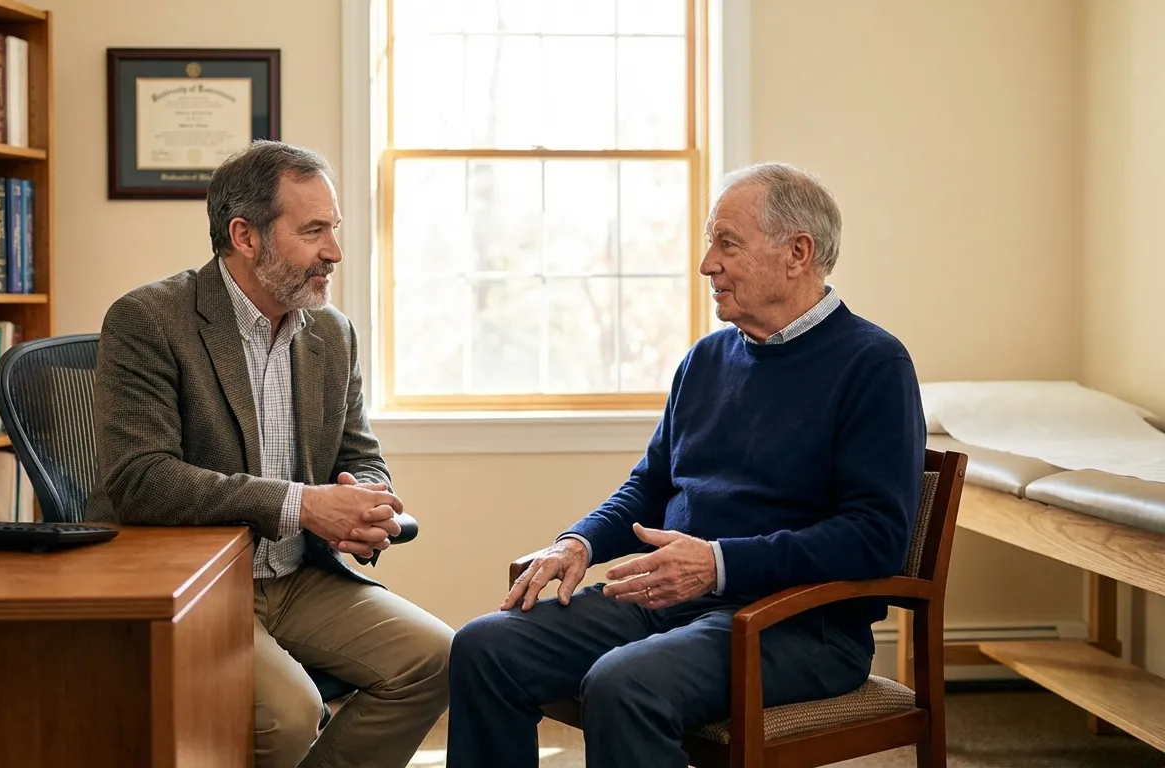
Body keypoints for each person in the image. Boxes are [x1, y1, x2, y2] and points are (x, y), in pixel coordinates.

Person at [445, 162, 926, 768]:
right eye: (709, 243)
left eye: (727, 244)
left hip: (800, 625)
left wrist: (719, 565)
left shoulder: (873, 364)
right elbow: (650, 485)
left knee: (624, 685)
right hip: (672, 599)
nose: (706, 264)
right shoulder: (706, 359)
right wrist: (580, 542)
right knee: (485, 646)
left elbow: (876, 537)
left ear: (797, 253)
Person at [86, 140, 453, 768]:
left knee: (442, 658)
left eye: (333, 229)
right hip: (202, 585)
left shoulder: (331, 333)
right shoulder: (149, 320)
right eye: (313, 231)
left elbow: (360, 453)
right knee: (289, 716)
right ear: (245, 236)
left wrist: (364, 504)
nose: (334, 251)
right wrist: (306, 505)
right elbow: (139, 479)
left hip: (301, 578)